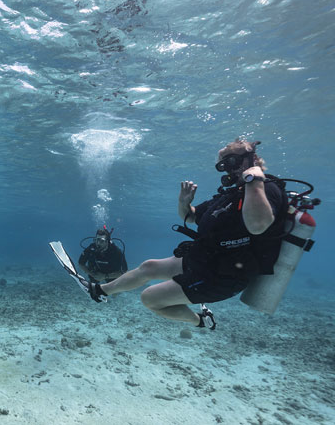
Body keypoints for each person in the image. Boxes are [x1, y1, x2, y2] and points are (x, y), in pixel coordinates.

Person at [84, 139, 286, 329]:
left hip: (223, 276)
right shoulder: (231, 195)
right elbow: (190, 217)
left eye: (231, 161)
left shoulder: (266, 188)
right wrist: (184, 202)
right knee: (149, 267)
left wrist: (254, 179)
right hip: (206, 260)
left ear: (252, 160)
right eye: (222, 165)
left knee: (150, 298)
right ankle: (100, 291)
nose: (227, 169)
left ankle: (199, 321)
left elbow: (258, 225)